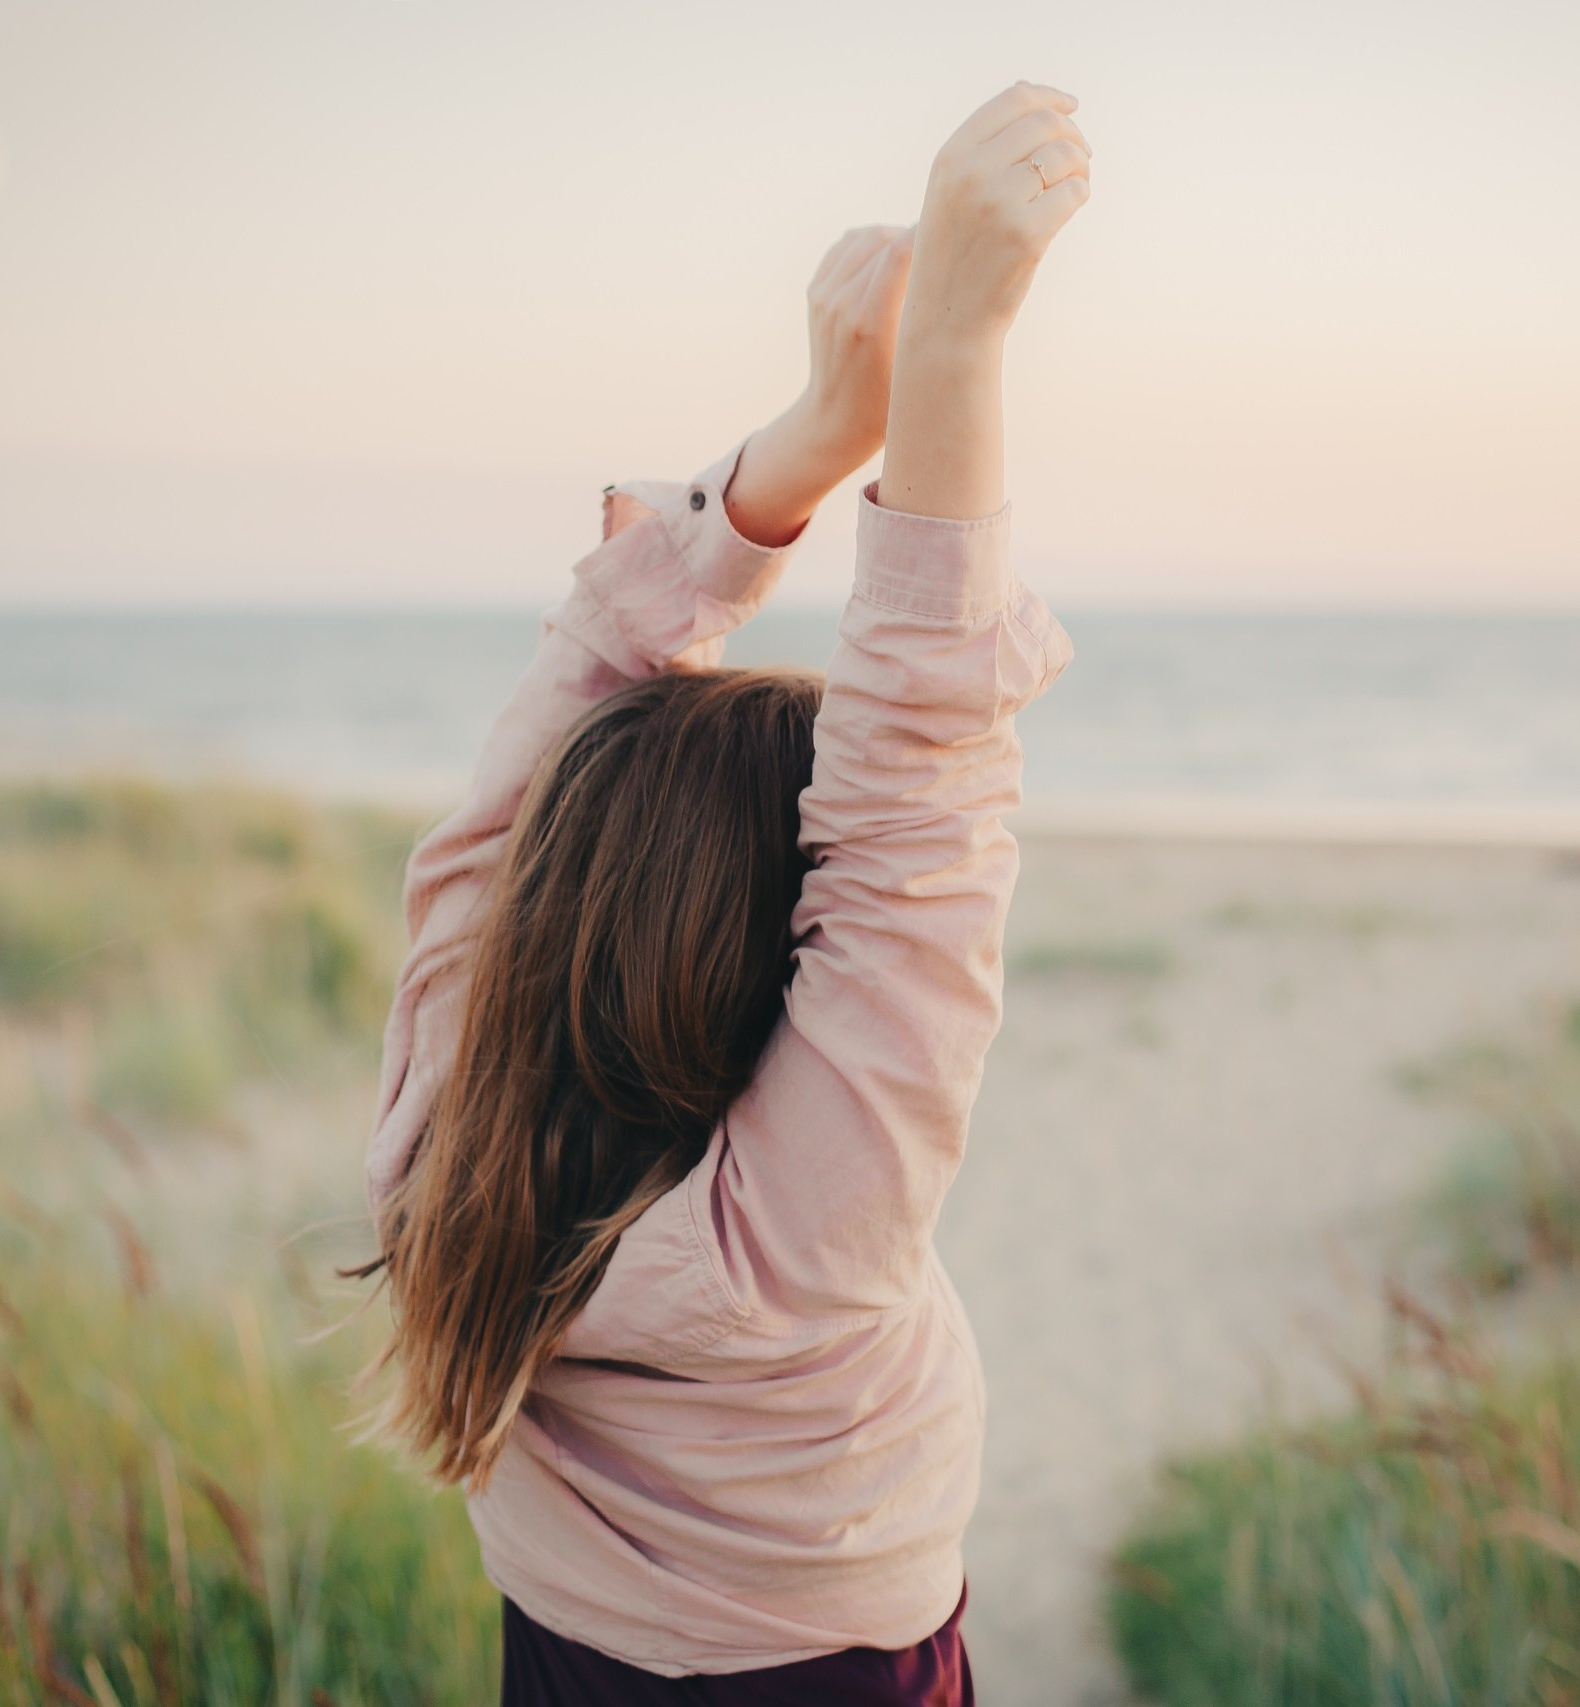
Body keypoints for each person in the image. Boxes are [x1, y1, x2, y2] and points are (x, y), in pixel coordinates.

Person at [359, 81, 1091, 1703]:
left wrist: (821, 440)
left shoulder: (446, 1119)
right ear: (779, 969)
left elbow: (580, 725)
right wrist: (950, 364)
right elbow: (908, 842)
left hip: (559, 1657)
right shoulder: (803, 1239)